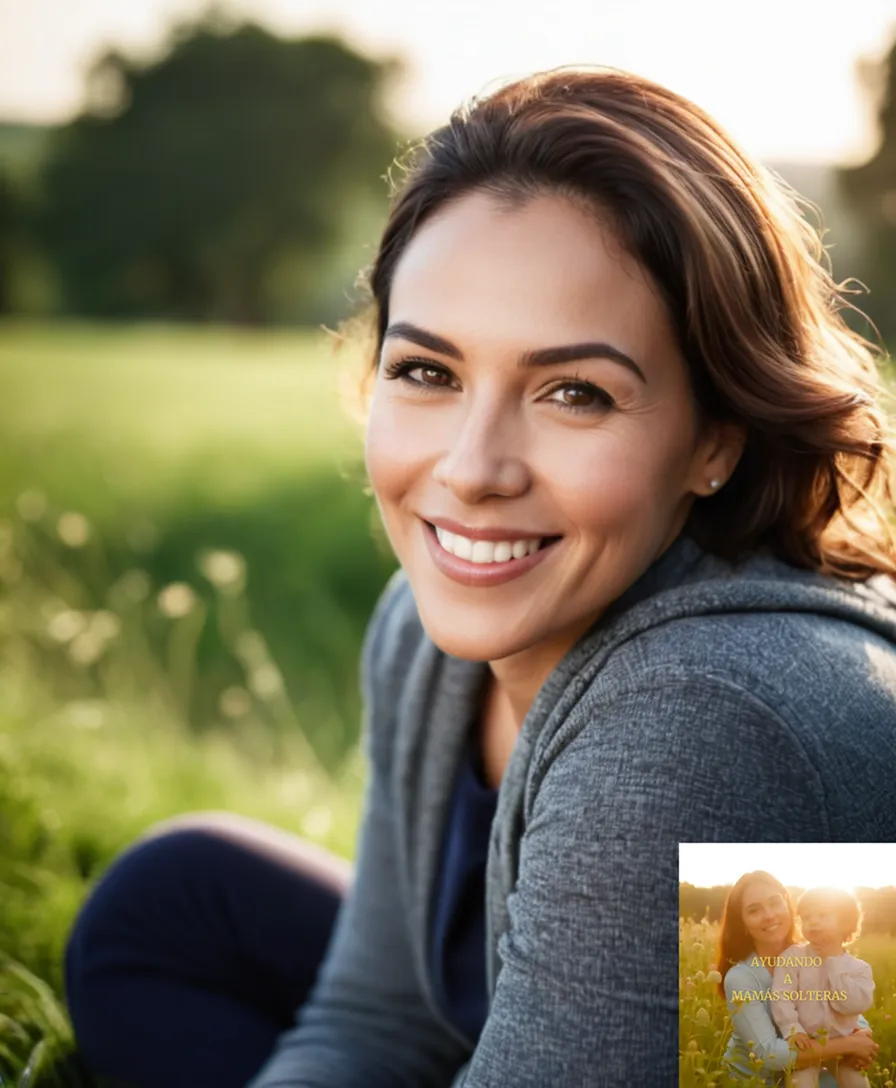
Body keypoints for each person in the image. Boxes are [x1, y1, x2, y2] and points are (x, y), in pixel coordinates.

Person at [64, 67, 896, 1088]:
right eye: (427, 371)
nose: (470, 467)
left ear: (712, 440)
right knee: (169, 908)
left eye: (574, 392)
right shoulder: (425, 625)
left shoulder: (712, 717)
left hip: (769, 1052)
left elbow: (806, 1053)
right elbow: (380, 1012)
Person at [717, 872, 878, 1086]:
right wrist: (849, 1045)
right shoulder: (741, 978)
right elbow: (768, 1053)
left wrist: (862, 1034)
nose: (769, 915)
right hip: (756, 1079)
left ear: (788, 906)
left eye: (775, 903)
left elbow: (841, 1005)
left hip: (809, 1064)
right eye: (754, 910)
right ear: (743, 923)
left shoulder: (816, 953)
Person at [770, 887, 875, 1087]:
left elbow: (852, 1005)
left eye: (822, 915)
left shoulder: (859, 969)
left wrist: (833, 962)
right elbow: (781, 997)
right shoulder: (792, 958)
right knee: (800, 1083)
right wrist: (793, 1030)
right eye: (807, 917)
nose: (813, 922)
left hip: (844, 1048)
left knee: (857, 1082)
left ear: (846, 923)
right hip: (807, 1043)